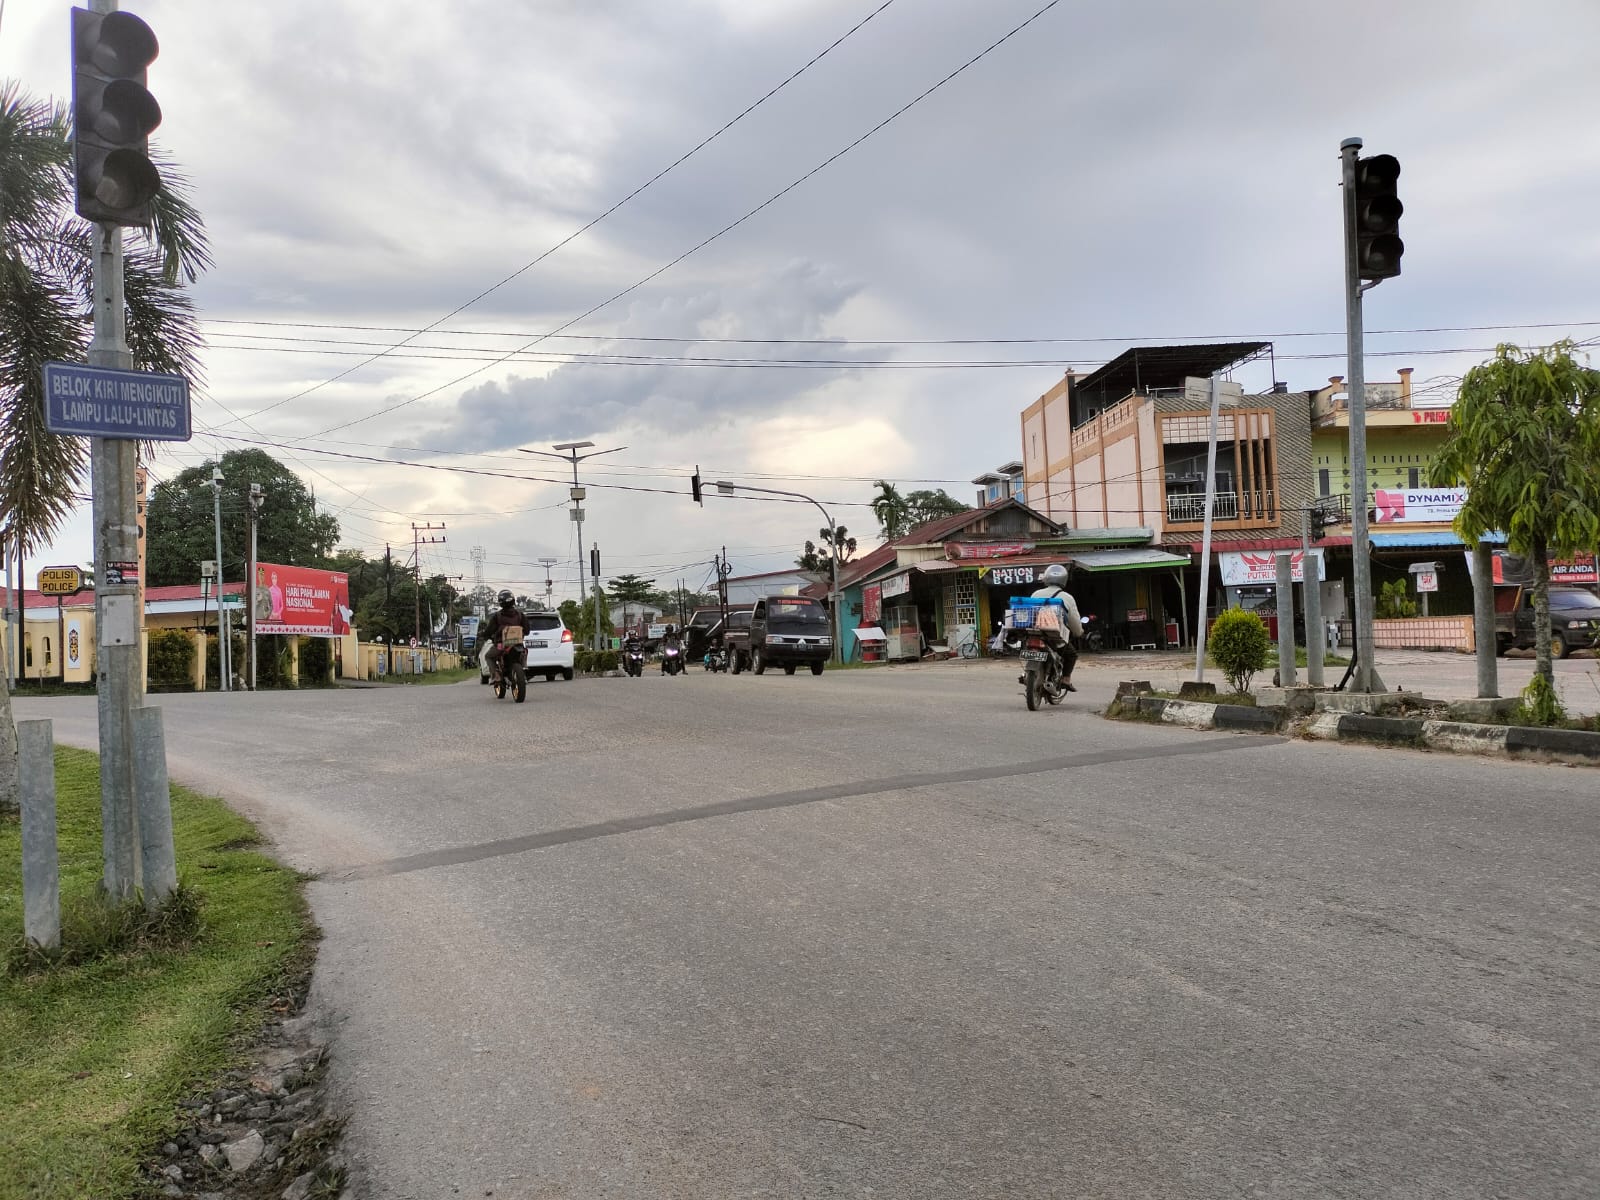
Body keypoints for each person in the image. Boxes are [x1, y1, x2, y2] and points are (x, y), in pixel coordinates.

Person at [1025, 565, 1084, 691]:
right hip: (1054, 638)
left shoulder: (1036, 594)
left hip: (1034, 633)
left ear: (1046, 578)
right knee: (1072, 655)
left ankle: (1029, 673)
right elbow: (1074, 621)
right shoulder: (1067, 597)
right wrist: (1079, 632)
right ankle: (1066, 680)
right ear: (1064, 580)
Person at [480, 590, 532, 682]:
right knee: (523, 651)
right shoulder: (520, 615)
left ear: (500, 602)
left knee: (488, 656)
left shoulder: (497, 616)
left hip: (502, 645)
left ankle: (495, 676)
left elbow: (489, 631)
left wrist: (485, 635)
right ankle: (523, 666)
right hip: (518, 644)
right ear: (513, 601)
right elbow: (527, 631)